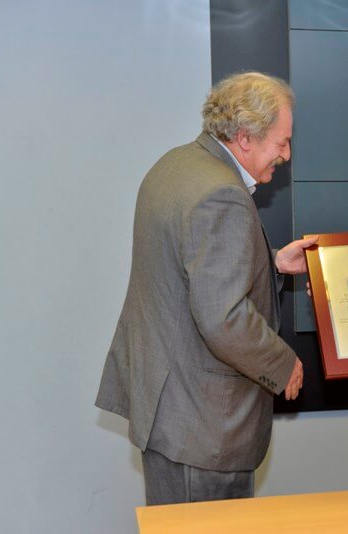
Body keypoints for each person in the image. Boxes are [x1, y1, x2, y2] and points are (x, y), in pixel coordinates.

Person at [95, 72, 317, 505]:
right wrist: (283, 363)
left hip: (170, 405)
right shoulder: (222, 194)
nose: (286, 155)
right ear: (245, 137)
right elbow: (223, 317)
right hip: (203, 425)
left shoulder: (176, 165)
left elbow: (191, 275)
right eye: (282, 141)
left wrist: (271, 265)